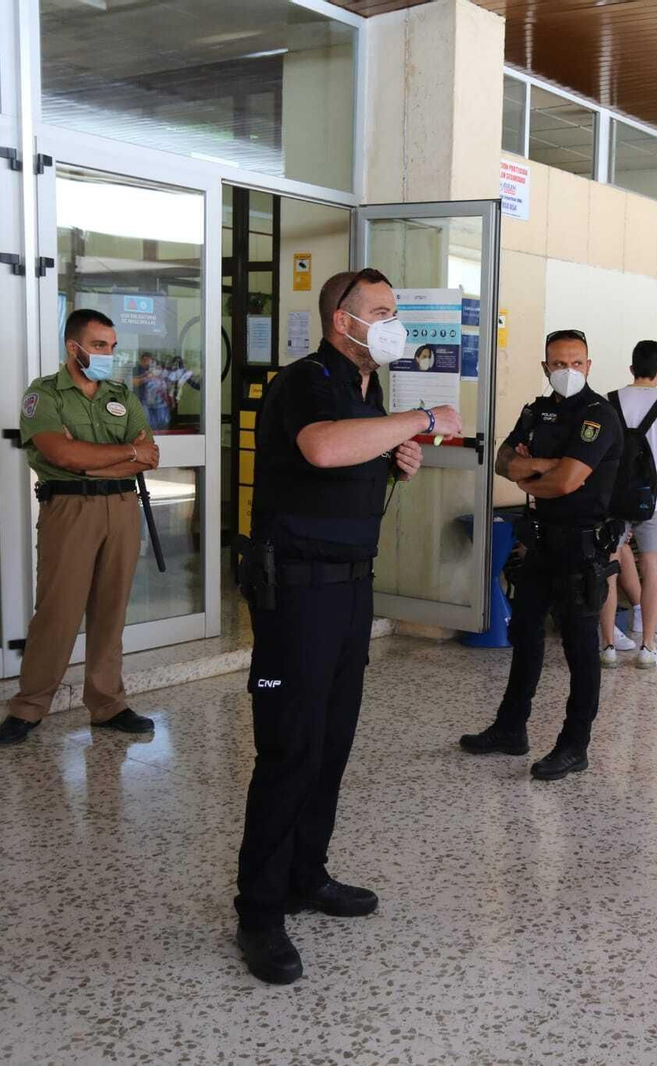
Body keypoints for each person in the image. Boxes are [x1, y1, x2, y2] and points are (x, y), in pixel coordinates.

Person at [232, 268, 460, 985]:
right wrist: (424, 422)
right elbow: (323, 449)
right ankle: (260, 913)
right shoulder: (301, 379)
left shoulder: (371, 389)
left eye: (395, 309)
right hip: (296, 595)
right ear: (342, 320)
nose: (394, 322)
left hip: (350, 592)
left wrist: (399, 461)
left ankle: (307, 875)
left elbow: (351, 464)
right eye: (381, 311)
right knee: (289, 750)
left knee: (331, 747)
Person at [459, 328, 623, 780]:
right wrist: (542, 467)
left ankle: (575, 745)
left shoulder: (598, 416)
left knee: (579, 649)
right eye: (557, 363)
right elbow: (501, 460)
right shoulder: (538, 410)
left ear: (588, 366)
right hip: (539, 541)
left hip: (581, 546)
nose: (566, 371)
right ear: (545, 365)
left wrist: (531, 473)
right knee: (525, 636)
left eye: (575, 363)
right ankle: (512, 728)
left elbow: (568, 482)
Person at [0, 309, 161, 747]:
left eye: (112, 345)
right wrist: (123, 455)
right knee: (59, 611)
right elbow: (62, 457)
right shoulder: (45, 395)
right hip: (69, 509)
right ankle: (30, 705)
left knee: (111, 610)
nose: (110, 353)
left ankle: (108, 704)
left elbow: (150, 454)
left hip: (123, 510)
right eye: (100, 345)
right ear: (75, 348)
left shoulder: (121, 394)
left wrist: (95, 458)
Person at [599, 340, 657, 668]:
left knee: (609, 569)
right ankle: (648, 647)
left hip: (613, 502)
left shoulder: (608, 402)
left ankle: (609, 646)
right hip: (652, 502)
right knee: (651, 567)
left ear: (631, 369)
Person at [132, 352, 172, 430]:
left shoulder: (150, 369)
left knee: (162, 421)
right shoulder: (136, 369)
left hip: (156, 401)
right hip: (142, 400)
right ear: (144, 359)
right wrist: (146, 377)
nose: (151, 363)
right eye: (150, 360)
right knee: (147, 422)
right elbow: (134, 382)